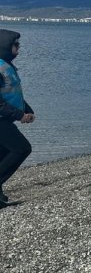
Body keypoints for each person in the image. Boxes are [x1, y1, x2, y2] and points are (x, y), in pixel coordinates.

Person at [0, 30, 34, 208]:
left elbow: (12, 93)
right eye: (16, 44)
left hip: (5, 118)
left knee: (4, 153)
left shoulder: (6, 65)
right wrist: (19, 115)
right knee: (21, 149)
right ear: (5, 46)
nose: (19, 48)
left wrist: (26, 109)